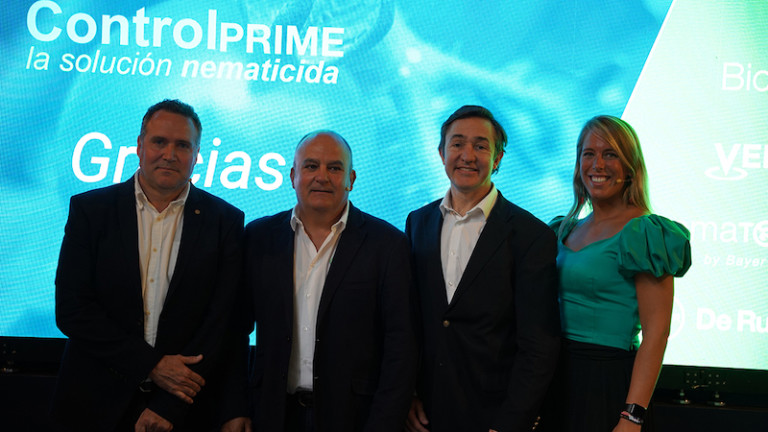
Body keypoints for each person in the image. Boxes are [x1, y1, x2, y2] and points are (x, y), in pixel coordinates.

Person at [51, 99, 249, 432]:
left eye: (182, 145)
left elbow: (221, 324)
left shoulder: (224, 221)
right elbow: (72, 310)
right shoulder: (91, 211)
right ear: (140, 146)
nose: (170, 154)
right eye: (159, 141)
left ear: (197, 154)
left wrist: (169, 405)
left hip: (182, 411)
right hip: (92, 406)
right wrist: (151, 365)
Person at [244, 131, 417, 432]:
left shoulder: (388, 245)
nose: (322, 177)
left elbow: (401, 348)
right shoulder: (258, 238)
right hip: (271, 415)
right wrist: (236, 408)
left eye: (334, 168)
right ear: (293, 176)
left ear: (351, 179)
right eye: (311, 166)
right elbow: (235, 331)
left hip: (355, 419)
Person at [405, 105, 561, 432]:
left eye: (480, 146)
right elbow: (412, 323)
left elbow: (539, 345)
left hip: (493, 416)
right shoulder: (418, 223)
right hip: (426, 414)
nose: (467, 155)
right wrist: (410, 394)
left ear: (498, 158)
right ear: (441, 153)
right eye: (457, 144)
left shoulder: (531, 235)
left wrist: (511, 422)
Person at [540, 115, 691, 432]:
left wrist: (632, 416)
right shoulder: (563, 229)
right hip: (554, 381)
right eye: (589, 154)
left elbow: (656, 334)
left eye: (610, 154)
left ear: (630, 168)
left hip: (606, 385)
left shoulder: (646, 233)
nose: (598, 164)